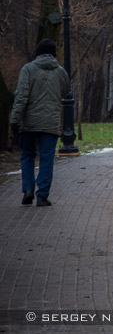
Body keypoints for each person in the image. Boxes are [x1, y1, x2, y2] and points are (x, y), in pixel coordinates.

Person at [9, 38, 70, 207]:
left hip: (28, 122)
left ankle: (28, 189)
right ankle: (42, 195)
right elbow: (66, 91)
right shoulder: (61, 72)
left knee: (27, 155)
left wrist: (14, 120)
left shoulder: (28, 70)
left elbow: (21, 96)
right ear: (54, 54)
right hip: (50, 122)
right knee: (46, 158)